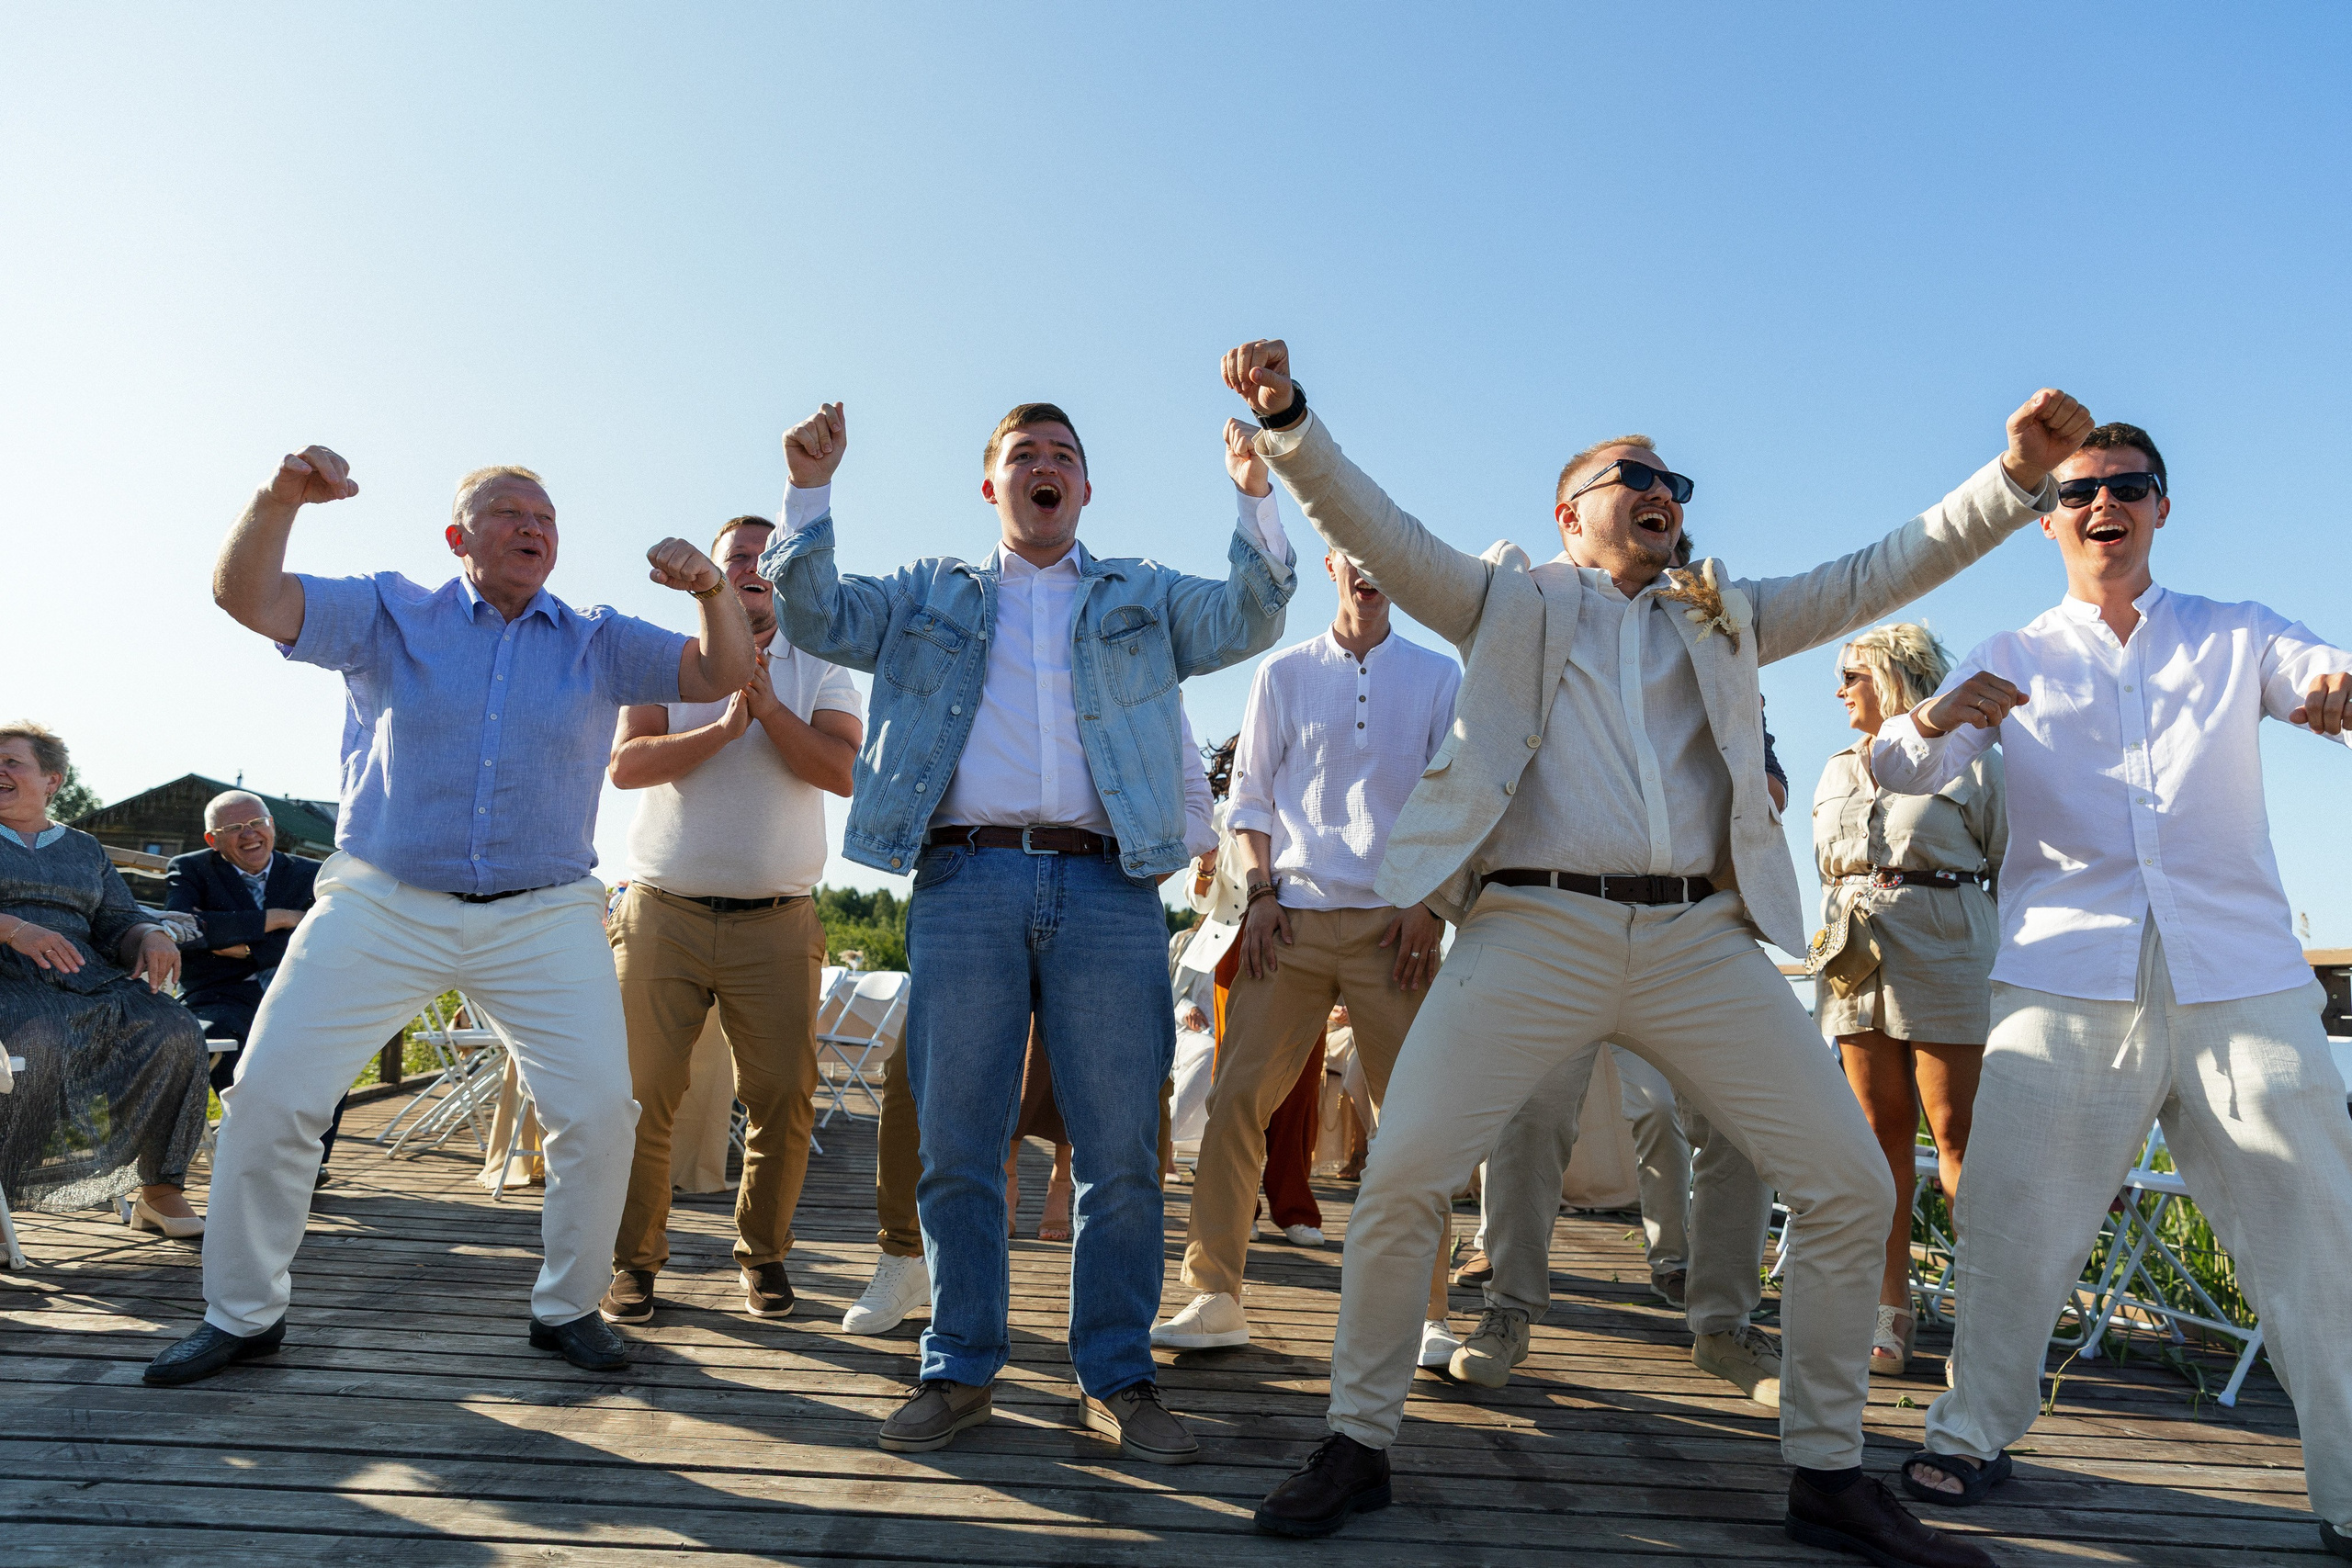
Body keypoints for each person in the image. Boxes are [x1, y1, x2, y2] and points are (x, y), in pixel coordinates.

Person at [1223, 336, 2086, 1567]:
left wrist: (2012, 479)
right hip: (1532, 926)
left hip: (1698, 936)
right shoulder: (1505, 599)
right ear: (1570, 513)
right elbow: (1383, 526)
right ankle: (1356, 1442)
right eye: (1634, 472)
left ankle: (1829, 1471)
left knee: (1848, 1184)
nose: (1663, 486)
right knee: (1408, 1170)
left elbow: (1879, 567)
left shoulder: (1727, 615)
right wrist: (1290, 420)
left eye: (1675, 478)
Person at [144, 446, 753, 1388]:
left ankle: (567, 1307)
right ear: (456, 536)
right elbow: (246, 596)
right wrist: (280, 499)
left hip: (544, 912)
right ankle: (242, 1313)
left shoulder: (597, 637)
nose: (532, 526)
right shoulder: (391, 611)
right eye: (509, 511)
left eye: (546, 517)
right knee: (269, 1097)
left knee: (598, 1112)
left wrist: (712, 590)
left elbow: (719, 673)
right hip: (384, 900)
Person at [763, 400, 1294, 1463]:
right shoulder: (927, 595)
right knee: (958, 1140)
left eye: (1062, 457)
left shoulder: (1140, 592)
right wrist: (808, 489)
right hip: (964, 880)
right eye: (1022, 457)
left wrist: (1252, 488)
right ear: (990, 487)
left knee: (1121, 1153)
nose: (1042, 469)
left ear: (1085, 490)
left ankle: (1117, 1377)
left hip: (1109, 891)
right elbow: (816, 614)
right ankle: (959, 1369)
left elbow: (1249, 616)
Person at [1870, 423, 2352, 1561]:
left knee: (2318, 1229)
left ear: (2160, 509)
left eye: (2128, 487)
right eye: (2080, 491)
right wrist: (1942, 714)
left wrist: (2337, 688)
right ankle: (1975, 1432)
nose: (2104, 505)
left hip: (2242, 977)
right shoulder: (2014, 649)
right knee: (2007, 1218)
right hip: (2064, 977)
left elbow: (2321, 673)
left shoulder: (2238, 634)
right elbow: (1893, 765)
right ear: (2048, 521)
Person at [1154, 422, 1463, 1365]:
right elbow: (1246, 797)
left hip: (1393, 929)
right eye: (1352, 555)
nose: (1366, 569)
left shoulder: (1439, 676)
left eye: (1383, 557)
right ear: (1329, 561)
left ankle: (1428, 1312)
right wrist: (1257, 897)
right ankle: (1213, 1296)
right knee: (1237, 1099)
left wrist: (1429, 906)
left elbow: (1456, 804)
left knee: (1412, 1122)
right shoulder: (1279, 674)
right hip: (1287, 920)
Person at [597, 512, 863, 1327]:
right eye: (735, 556)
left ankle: (764, 1257)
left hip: (778, 920)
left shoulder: (826, 661)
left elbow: (843, 772)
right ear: (704, 576)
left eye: (765, 555)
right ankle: (632, 1263)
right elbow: (625, 765)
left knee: (783, 1097)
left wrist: (771, 713)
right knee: (641, 1095)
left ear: (785, 571)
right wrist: (720, 730)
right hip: (660, 912)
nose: (751, 566)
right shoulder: (663, 658)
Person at [1814, 622, 2004, 1376]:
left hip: (1949, 945)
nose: (1838, 690)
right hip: (1853, 956)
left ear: (1896, 676)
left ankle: (1988, 1321)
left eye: (1851, 674)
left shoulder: (1973, 759)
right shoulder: (1834, 769)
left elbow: (2007, 856)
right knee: (1874, 1136)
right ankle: (1888, 1312)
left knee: (1958, 1136)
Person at [0, 723, 209, 1237]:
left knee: (175, 1031)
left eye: (11, 762)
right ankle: (3, 1193)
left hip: (85, 977)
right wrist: (13, 928)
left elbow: (118, 919)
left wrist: (151, 934)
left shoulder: (85, 848)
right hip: (6, 978)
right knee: (37, 1038)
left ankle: (160, 1190)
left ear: (52, 779)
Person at [165, 792, 343, 1171]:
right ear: (213, 839)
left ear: (272, 826)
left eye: (256, 823)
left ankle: (308, 1162)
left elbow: (327, 932)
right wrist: (280, 917)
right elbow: (184, 930)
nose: (249, 835)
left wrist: (240, 944)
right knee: (222, 1040)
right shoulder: (191, 869)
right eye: (234, 828)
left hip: (295, 988)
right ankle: (256, 1152)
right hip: (218, 993)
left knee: (330, 1044)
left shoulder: (311, 873)